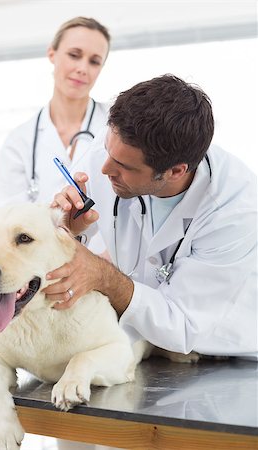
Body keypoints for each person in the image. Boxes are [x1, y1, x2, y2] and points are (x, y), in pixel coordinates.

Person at [45, 74, 257, 360]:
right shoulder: (116, 149)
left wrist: (103, 276)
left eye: (122, 165)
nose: (105, 169)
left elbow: (182, 324)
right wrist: (69, 230)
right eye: (107, 150)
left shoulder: (233, 211)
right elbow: (63, 229)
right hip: (143, 343)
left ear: (175, 171)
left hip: (222, 358)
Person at [0, 16, 110, 208]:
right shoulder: (20, 142)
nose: (82, 68)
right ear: (52, 54)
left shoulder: (116, 126)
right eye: (74, 55)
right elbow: (6, 220)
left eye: (94, 61)